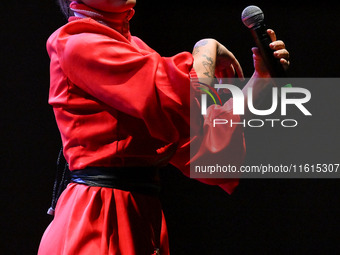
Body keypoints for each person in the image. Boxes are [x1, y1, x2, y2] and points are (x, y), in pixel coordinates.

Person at [38, 0, 290, 254]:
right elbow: (182, 96)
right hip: (98, 220)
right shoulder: (76, 43)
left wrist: (260, 83)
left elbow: (198, 144)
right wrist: (206, 49)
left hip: (138, 217)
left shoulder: (134, 49)